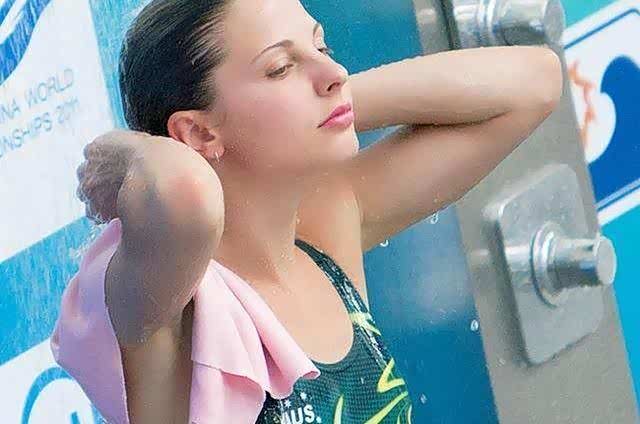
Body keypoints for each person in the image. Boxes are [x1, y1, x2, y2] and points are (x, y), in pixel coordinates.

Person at [49, 0, 563, 422]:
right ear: (199, 132)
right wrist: (126, 156)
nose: (335, 73)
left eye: (321, 47)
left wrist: (333, 103)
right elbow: (187, 194)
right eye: (280, 68)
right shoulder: (169, 307)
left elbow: (534, 82)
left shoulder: (323, 235)